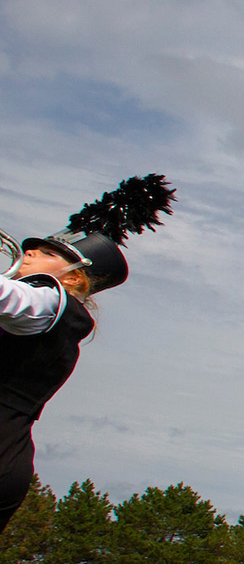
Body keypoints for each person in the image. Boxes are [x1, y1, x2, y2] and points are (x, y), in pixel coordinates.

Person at [0, 176, 173, 537]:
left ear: (75, 279)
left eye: (46, 253)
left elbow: (10, 298)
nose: (28, 251)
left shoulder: (47, 299)